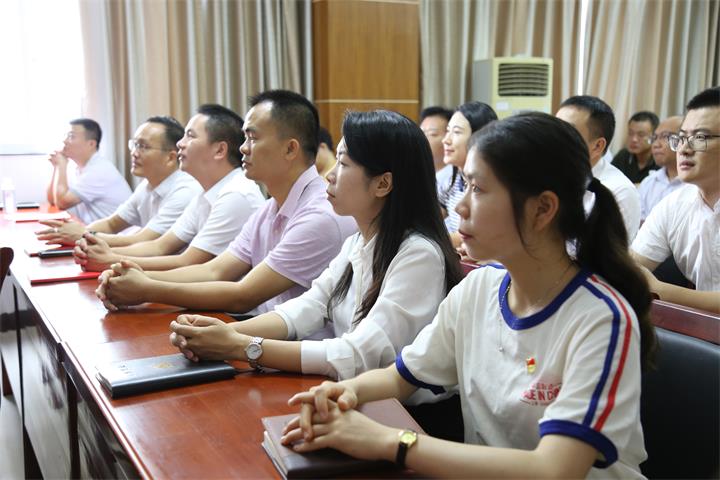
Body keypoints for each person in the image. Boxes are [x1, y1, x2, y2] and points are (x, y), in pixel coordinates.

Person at [282, 113, 656, 479]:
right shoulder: (479, 289)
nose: (460, 207)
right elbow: (400, 377)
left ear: (542, 209)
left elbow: (554, 469)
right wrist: (342, 391)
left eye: (477, 189)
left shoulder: (602, 317)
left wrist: (389, 442)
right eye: (465, 186)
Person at [167, 110, 462, 383]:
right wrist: (216, 334)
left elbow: (360, 355)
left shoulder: (419, 255)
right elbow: (308, 307)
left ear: (382, 184)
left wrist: (241, 346)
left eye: (343, 164)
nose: (329, 175)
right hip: (348, 392)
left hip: (400, 411)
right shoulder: (357, 242)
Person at [95, 90, 356, 315]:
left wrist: (146, 288)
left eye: (253, 138)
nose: (243, 147)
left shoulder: (319, 215)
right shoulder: (270, 208)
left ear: (290, 149)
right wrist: (134, 277)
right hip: (265, 334)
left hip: (298, 348)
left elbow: (244, 295)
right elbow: (215, 271)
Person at [74, 104, 264, 272]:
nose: (180, 144)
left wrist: (110, 259)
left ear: (220, 150)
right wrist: (105, 254)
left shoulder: (235, 194)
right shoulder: (205, 192)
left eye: (190, 136)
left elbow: (188, 262)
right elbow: (160, 246)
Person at [36, 116, 201, 246]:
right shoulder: (147, 185)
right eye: (134, 144)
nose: (134, 153)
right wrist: (75, 232)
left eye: (143, 147)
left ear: (170, 157)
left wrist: (83, 234)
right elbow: (112, 224)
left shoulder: (184, 191)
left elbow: (146, 241)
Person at [631, 87, 720, 313]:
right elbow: (633, 265)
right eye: (681, 138)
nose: (684, 149)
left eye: (699, 138)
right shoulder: (675, 203)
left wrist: (661, 290)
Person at [556, 96, 641, 241]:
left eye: (567, 132)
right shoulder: (549, 174)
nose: (555, 137)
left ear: (597, 146)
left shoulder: (618, 191)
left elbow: (604, 254)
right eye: (555, 127)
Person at [46, 118, 132, 223]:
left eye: (71, 136)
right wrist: (57, 166)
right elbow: (53, 200)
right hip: (94, 230)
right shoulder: (80, 168)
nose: (65, 141)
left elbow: (62, 203)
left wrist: (61, 166)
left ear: (91, 144)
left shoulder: (99, 170)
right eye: (66, 136)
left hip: (115, 233)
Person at [438, 101, 497, 245]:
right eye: (448, 131)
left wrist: (429, 242)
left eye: (456, 132)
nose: (446, 140)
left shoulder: (489, 185)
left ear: (479, 138)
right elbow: (428, 220)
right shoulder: (451, 182)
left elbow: (472, 234)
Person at [638, 115, 683, 221]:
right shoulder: (649, 182)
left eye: (665, 136)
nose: (655, 145)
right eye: (654, 138)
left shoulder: (697, 185)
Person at [612, 111, 660, 183]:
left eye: (641, 135)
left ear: (654, 137)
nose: (634, 139)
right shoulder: (623, 156)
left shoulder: (661, 160)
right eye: (631, 133)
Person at [419, 106, 453, 194]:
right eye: (421, 133)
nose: (423, 138)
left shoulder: (456, 180)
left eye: (432, 134)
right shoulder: (415, 172)